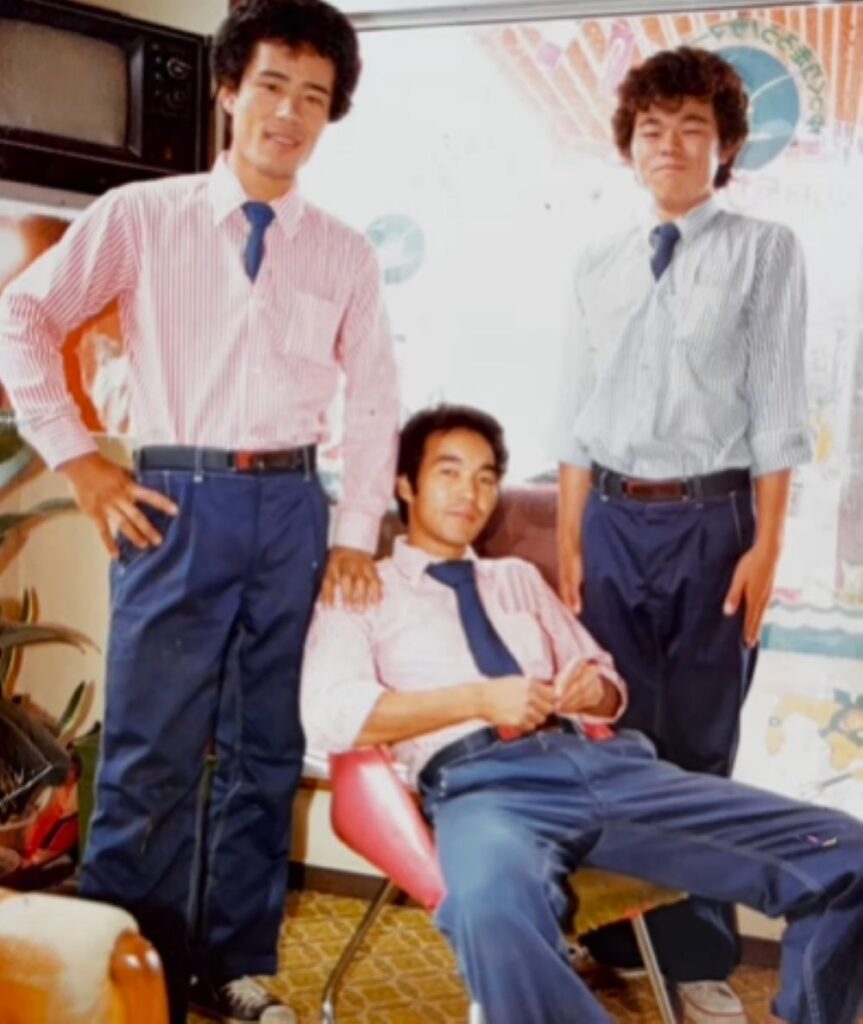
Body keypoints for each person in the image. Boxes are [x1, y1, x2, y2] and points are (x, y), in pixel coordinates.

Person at [0, 1, 399, 1021]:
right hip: (173, 502)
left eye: (313, 97)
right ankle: (121, 978)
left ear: (330, 115)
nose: (289, 113)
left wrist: (354, 534)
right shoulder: (143, 215)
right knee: (150, 753)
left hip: (292, 507)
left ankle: (232, 969)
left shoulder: (344, 252)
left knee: (264, 751)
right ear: (228, 90)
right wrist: (77, 460)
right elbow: (23, 313)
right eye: (271, 85)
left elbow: (373, 400)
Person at [301, 404, 863, 1024]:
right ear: (405, 484)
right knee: (490, 908)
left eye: (485, 477)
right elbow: (328, 716)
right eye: (449, 472)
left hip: (608, 769)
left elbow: (607, 684)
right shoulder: (363, 589)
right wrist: (478, 701)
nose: (470, 493)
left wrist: (590, 691)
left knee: (844, 852)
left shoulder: (516, 578)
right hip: (484, 792)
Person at [553, 46, 812, 1021]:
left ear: (724, 147)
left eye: (691, 127)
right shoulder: (596, 260)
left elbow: (777, 410)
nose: (668, 144)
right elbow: (573, 412)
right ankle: (611, 942)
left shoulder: (764, 250)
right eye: (651, 128)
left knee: (698, 747)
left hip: (714, 522)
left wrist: (765, 546)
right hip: (610, 519)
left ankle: (696, 959)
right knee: (613, 738)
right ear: (629, 145)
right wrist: (570, 540)